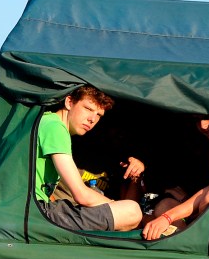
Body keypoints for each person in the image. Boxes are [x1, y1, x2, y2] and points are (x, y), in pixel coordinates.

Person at [36, 85, 143, 232]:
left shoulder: (49, 122)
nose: (92, 119)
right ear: (69, 102)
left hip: (37, 208)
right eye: (88, 109)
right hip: (37, 211)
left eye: (99, 115)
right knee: (132, 211)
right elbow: (81, 195)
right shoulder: (55, 126)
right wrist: (115, 206)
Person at [142, 114, 209, 240]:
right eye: (197, 121)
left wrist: (167, 217)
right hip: (201, 213)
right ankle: (186, 242)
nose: (203, 125)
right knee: (165, 204)